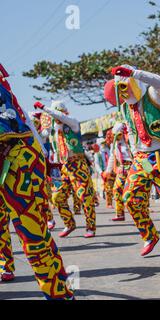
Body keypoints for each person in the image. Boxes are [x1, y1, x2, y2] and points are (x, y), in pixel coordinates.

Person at [0, 64, 74, 299]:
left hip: (14, 156)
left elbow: (21, 124)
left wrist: (43, 158)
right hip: (20, 155)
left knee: (33, 231)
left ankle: (57, 292)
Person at [103, 65, 160, 257]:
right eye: (120, 90)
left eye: (125, 86)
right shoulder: (126, 108)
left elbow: (159, 81)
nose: (123, 93)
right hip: (141, 159)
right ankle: (149, 235)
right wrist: (136, 156)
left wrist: (133, 73)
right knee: (129, 197)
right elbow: (133, 135)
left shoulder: (154, 95)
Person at [34, 100, 97, 238]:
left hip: (78, 165)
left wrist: (44, 108)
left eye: (57, 113)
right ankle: (69, 223)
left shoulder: (72, 123)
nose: (55, 117)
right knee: (57, 197)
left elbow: (60, 117)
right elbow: (40, 135)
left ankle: (90, 227)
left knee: (85, 198)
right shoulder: (54, 131)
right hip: (64, 167)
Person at [104, 122, 133, 222]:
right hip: (122, 168)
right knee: (116, 189)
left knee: (133, 191)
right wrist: (108, 170)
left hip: (133, 166)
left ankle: (142, 211)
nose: (117, 137)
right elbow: (112, 156)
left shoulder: (131, 140)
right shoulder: (115, 144)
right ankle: (120, 214)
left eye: (119, 134)